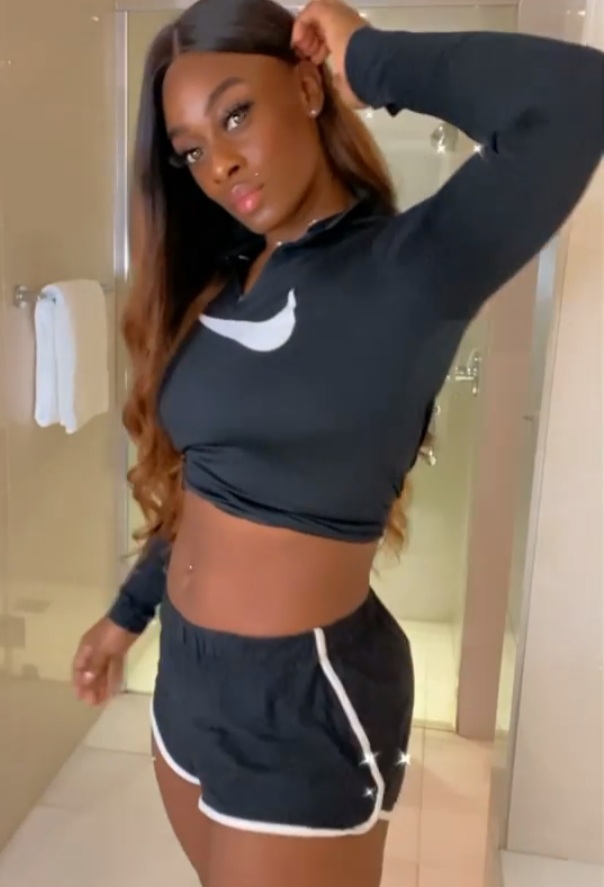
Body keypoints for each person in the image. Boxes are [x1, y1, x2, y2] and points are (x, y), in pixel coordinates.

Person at [72, 1, 603, 884]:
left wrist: (374, 57)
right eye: (191, 150)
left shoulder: (411, 268)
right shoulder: (222, 284)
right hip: (186, 680)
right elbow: (205, 488)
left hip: (303, 702)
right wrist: (128, 615)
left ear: (309, 88)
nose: (218, 165)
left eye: (236, 114)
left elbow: (575, 100)